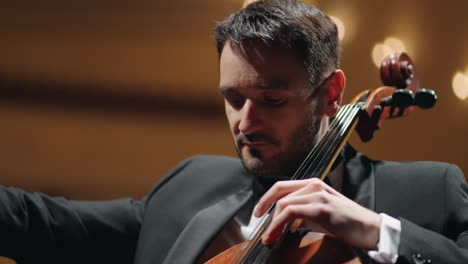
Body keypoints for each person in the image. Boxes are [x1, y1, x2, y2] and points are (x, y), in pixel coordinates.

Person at [1, 0, 467, 263]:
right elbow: (42, 222)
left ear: (331, 95)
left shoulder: (431, 192)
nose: (245, 121)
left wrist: (376, 230)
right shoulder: (191, 185)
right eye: (233, 99)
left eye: (271, 100)